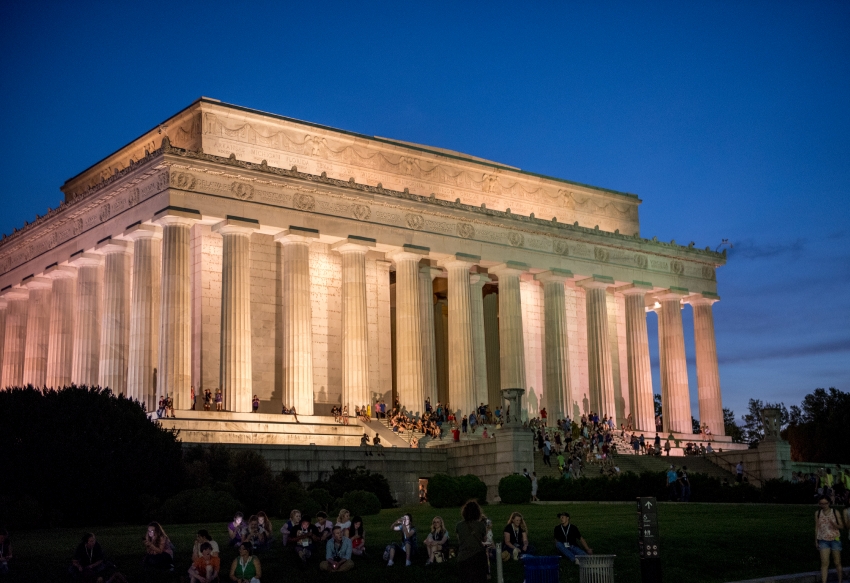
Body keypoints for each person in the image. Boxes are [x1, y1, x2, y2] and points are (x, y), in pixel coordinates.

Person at [456, 500, 488, 583]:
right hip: (477, 556)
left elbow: (460, 540)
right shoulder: (481, 525)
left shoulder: (459, 525)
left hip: (463, 557)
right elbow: (484, 539)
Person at [816, 496, 844, 583]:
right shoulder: (818, 513)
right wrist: (816, 539)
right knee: (824, 563)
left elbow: (841, 526)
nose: (824, 505)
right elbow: (817, 527)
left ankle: (840, 580)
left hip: (834, 539)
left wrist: (835, 525)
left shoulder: (835, 512)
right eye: (821, 504)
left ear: (829, 503)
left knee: (837, 562)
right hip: (823, 539)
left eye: (825, 503)